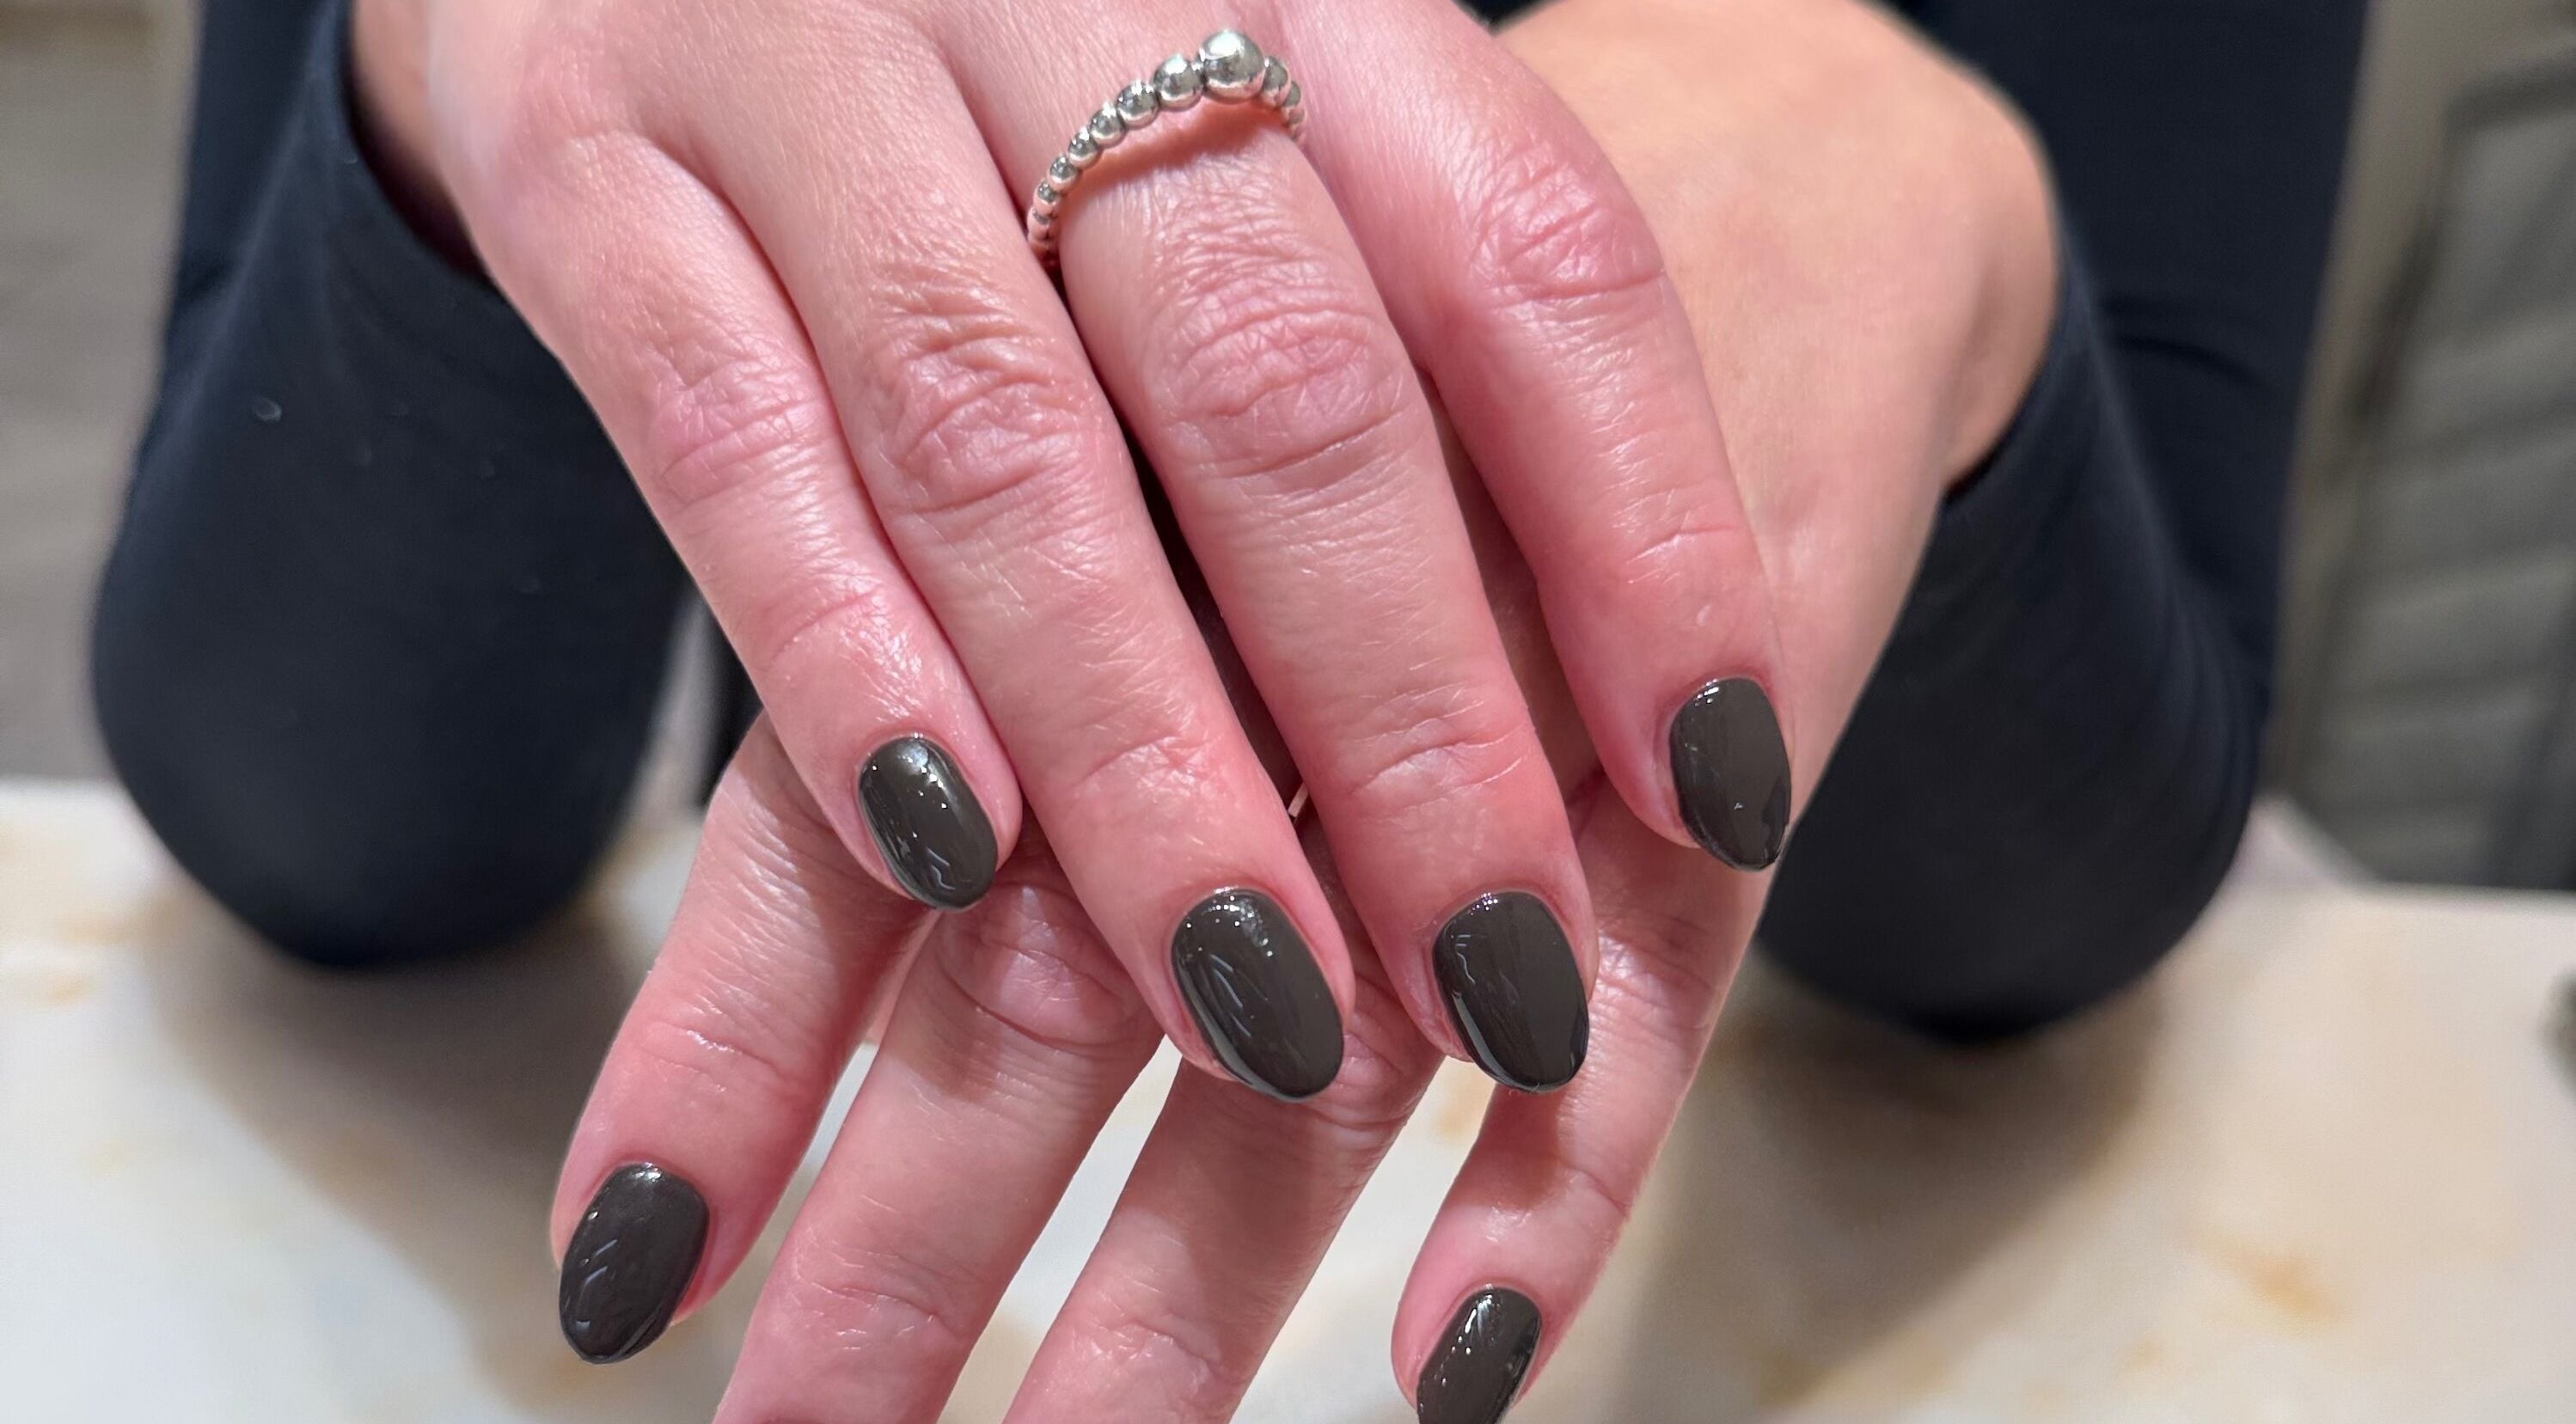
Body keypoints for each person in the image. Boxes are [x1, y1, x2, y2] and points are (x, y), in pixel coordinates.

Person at [90, 0, 2364, 1415]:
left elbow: (2009, 959)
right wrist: (449, 84)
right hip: (851, 1044)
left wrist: (1920, 186)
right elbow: (344, 844)